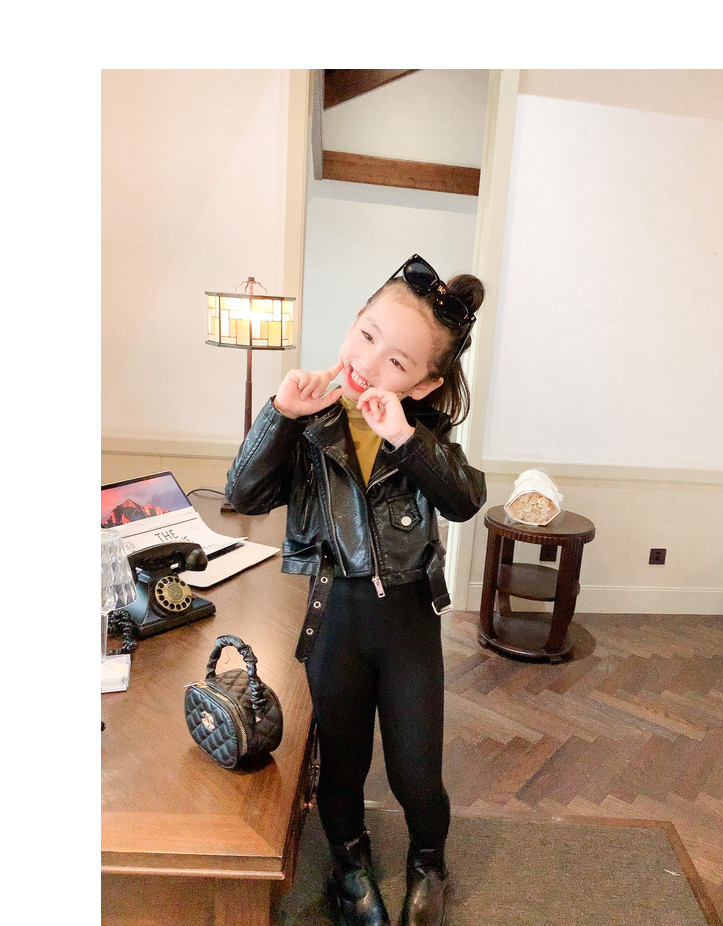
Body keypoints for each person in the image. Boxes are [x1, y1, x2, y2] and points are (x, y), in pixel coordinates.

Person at [225, 254, 487, 926]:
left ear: (426, 384)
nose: (368, 364)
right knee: (341, 765)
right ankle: (349, 862)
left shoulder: (425, 437)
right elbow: (243, 496)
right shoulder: (309, 422)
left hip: (408, 625)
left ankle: (428, 859)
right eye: (366, 335)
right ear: (352, 323)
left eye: (396, 361)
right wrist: (280, 414)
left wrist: (404, 438)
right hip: (333, 619)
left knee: (416, 772)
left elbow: (464, 500)